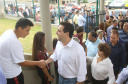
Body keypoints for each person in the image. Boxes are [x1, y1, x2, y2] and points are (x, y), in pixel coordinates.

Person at [0, 18, 44, 84]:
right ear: (20, 29)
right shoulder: (14, 43)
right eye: (27, 30)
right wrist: (39, 63)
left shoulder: (8, 32)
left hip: (5, 74)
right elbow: (21, 62)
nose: (28, 33)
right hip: (13, 76)